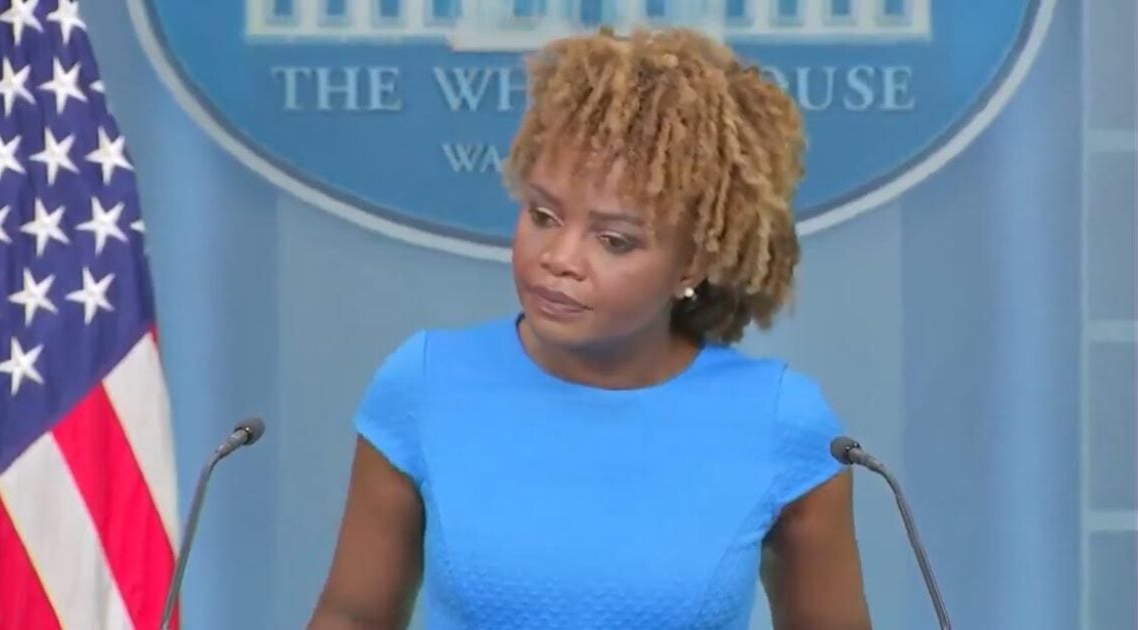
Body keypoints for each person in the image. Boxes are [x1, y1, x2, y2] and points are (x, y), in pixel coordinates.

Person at [308, 26, 872, 630]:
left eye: (614, 240)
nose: (560, 258)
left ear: (691, 265)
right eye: (543, 215)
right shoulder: (424, 384)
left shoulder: (782, 421)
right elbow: (351, 616)